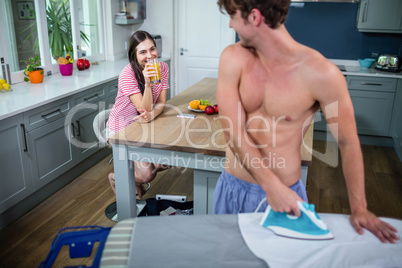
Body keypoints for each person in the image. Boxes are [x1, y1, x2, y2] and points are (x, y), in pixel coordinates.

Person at [214, 0, 398, 243]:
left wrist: (359, 208)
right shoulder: (232, 57)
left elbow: (347, 141)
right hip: (232, 189)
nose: (230, 23)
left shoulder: (322, 74)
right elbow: (233, 131)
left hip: (287, 196)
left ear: (255, 17)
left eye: (233, 15)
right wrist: (271, 186)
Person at [106, 30, 169, 198]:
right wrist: (147, 84)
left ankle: (131, 178)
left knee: (166, 161)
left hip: (145, 123)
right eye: (143, 52)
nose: (150, 55)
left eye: (152, 49)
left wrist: (152, 115)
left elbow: (161, 102)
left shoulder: (162, 67)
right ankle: (116, 178)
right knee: (147, 175)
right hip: (121, 129)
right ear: (134, 55)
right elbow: (143, 108)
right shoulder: (127, 75)